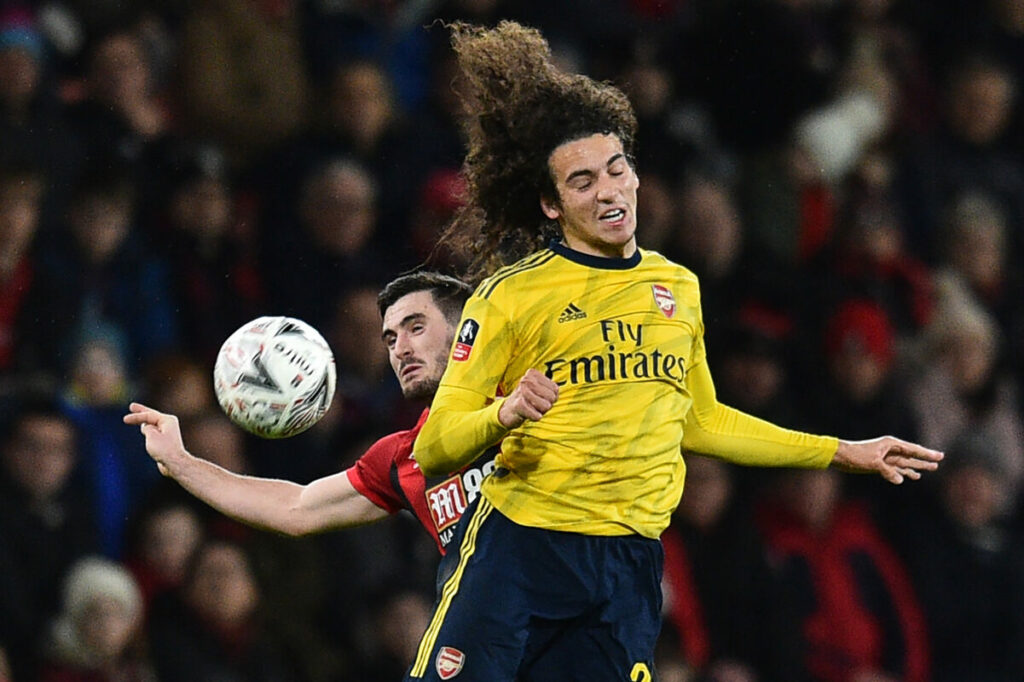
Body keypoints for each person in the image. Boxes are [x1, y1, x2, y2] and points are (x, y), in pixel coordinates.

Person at [405, 20, 944, 681]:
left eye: (617, 169)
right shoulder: (511, 297)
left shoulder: (677, 288)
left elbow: (702, 421)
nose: (609, 190)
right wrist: (505, 413)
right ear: (550, 204)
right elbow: (435, 446)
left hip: (625, 573)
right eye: (582, 181)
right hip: (524, 556)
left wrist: (840, 451)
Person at [123, 271, 493, 558]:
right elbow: (295, 509)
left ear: (466, 331)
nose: (400, 350)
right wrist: (180, 462)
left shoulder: (521, 401)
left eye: (416, 328)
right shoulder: (402, 459)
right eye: (391, 339)